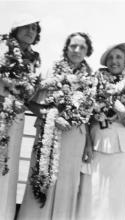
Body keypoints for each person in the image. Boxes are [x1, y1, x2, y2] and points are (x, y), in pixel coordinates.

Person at [17, 32, 96, 220]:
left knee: (67, 183)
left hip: (75, 136)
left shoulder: (91, 78)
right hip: (48, 132)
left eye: (82, 47)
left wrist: (88, 144)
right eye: (73, 46)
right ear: (66, 48)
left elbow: (89, 116)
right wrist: (51, 116)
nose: (77, 50)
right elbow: (29, 100)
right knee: (41, 177)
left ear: (88, 51)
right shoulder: (51, 70)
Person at [77, 43, 125, 220]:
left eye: (119, 57)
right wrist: (87, 143)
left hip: (122, 149)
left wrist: (123, 114)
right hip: (97, 143)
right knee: (91, 193)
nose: (114, 61)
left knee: (115, 197)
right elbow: (86, 118)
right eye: (111, 58)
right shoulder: (95, 81)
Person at [0, 14, 41, 220]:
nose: (30, 31)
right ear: (15, 29)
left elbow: (31, 92)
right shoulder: (2, 48)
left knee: (9, 166)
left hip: (16, 117)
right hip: (0, 110)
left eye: (34, 28)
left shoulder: (34, 59)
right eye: (26, 26)